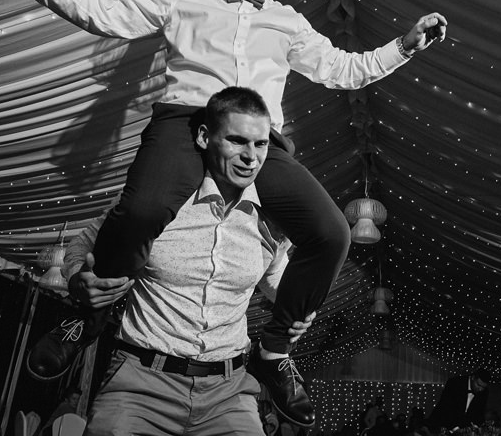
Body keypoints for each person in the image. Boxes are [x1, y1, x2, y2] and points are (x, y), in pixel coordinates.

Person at [0, 0, 446, 428]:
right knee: (141, 210)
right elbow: (98, 11)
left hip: (260, 139)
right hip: (186, 124)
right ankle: (86, 317)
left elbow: (344, 69)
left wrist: (404, 45)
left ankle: (274, 353)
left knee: (331, 232)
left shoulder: (288, 23)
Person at [62, 86, 314, 435]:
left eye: (260, 144)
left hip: (229, 390)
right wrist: (79, 278)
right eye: (237, 141)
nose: (250, 157)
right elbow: (81, 246)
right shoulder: (157, 201)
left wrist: (298, 310)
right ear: (204, 137)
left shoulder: (270, 220)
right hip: (140, 383)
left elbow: (276, 281)